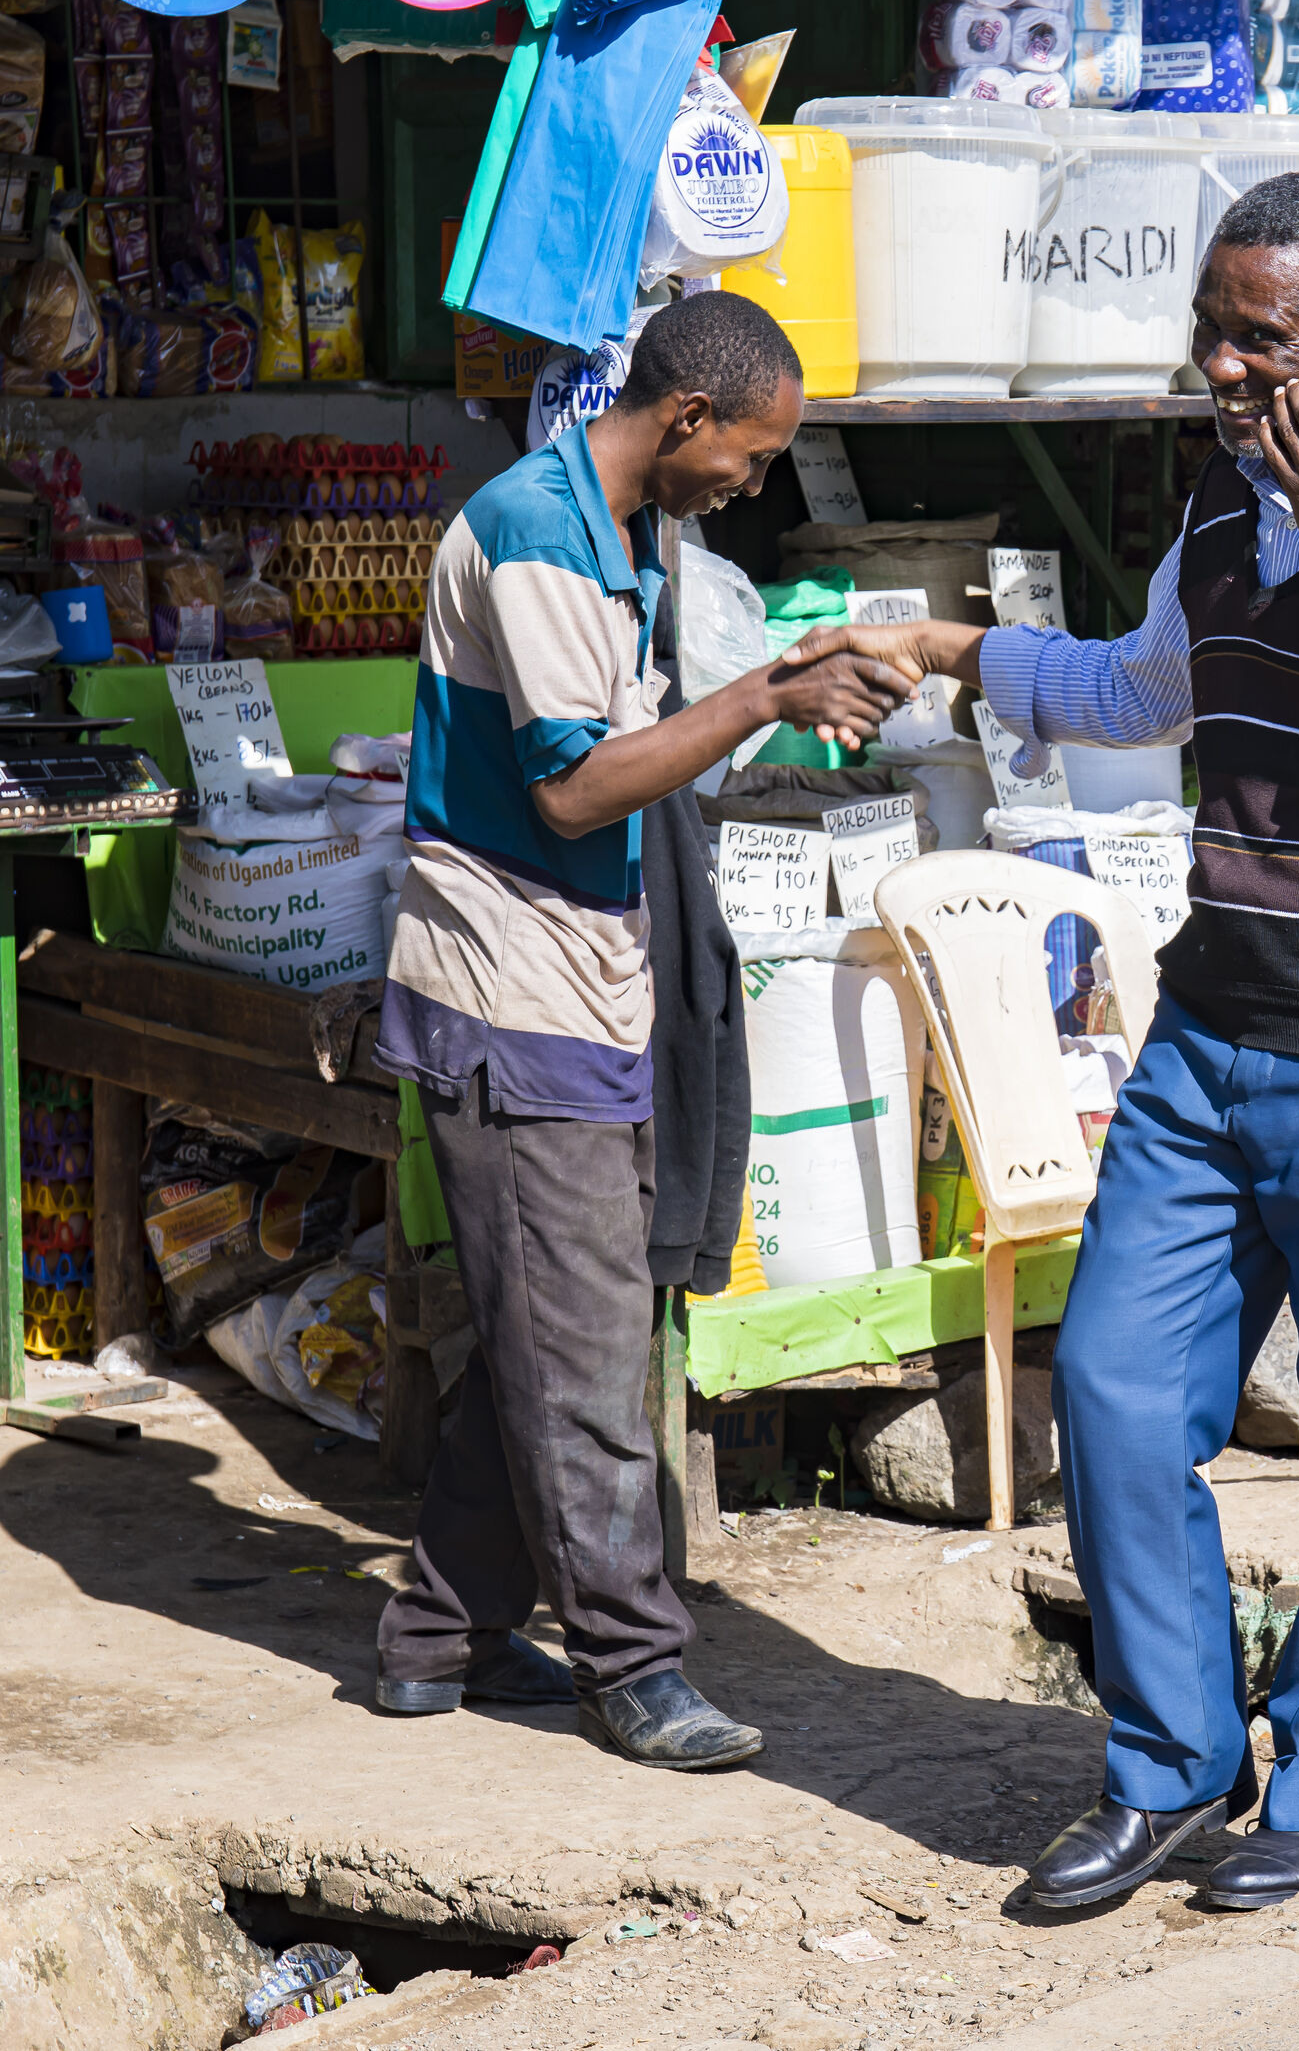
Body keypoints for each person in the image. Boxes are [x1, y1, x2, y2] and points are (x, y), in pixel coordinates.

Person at [798, 173, 1299, 1907]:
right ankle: (1172, 1762)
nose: (1216, 367)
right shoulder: (1221, 518)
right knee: (1120, 1393)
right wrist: (952, 648)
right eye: (1208, 331)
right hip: (1212, 1039)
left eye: (1258, 338)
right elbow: (1146, 689)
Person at [369, 289, 909, 1769]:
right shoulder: (538, 532)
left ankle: (433, 1638)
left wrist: (782, 687)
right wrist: (761, 696)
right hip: (512, 989)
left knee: (556, 1325)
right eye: (747, 454)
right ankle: (633, 1663)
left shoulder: (628, 538)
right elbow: (572, 789)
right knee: (592, 1350)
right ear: (684, 419)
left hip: (583, 984)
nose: (752, 481)